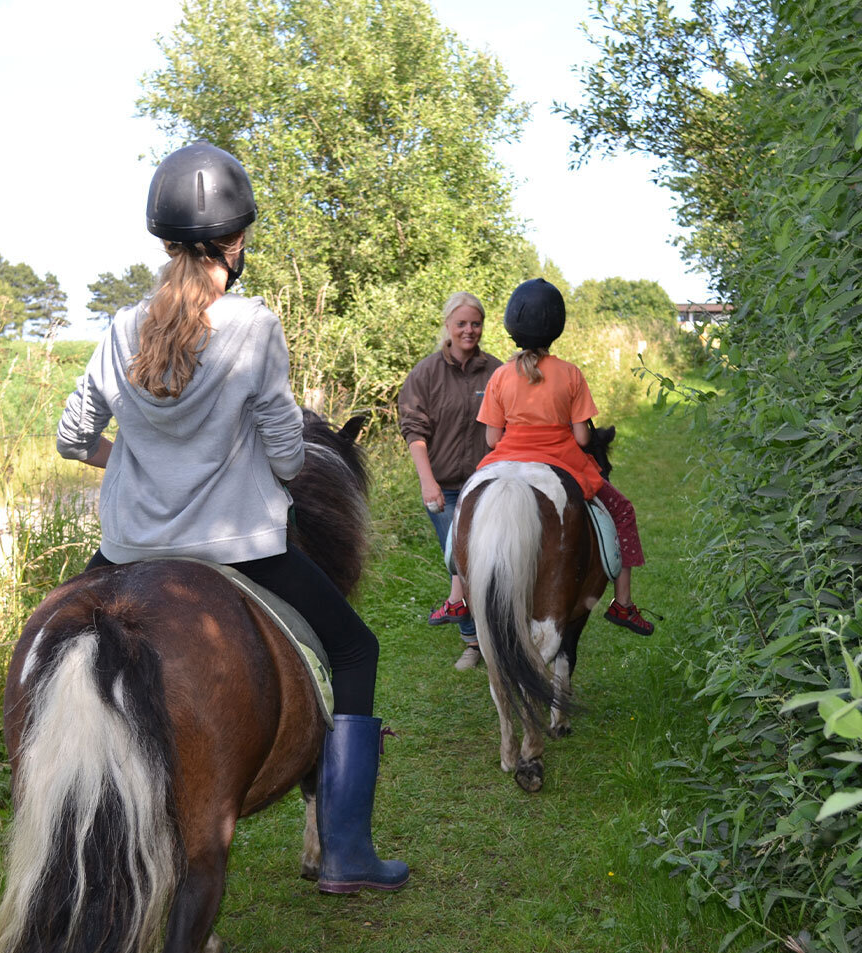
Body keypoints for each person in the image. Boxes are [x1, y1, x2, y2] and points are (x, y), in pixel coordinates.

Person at [55, 142, 408, 894]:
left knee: (55, 647)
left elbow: (72, 438)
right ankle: (345, 851)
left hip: (125, 553)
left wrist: (134, 460)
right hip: (240, 551)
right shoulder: (253, 326)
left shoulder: (120, 330)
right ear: (237, 242)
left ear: (162, 241)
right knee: (354, 650)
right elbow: (286, 454)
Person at [476, 278, 654, 636]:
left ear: (513, 328)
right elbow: (582, 436)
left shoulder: (499, 376)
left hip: (505, 458)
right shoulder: (570, 374)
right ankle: (623, 604)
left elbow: (493, 439)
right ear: (556, 327)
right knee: (622, 511)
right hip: (562, 460)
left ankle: (459, 596)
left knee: (470, 517)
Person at [398, 292, 503, 669]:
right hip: (443, 487)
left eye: (475, 323)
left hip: (487, 486)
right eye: (461, 323)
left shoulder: (496, 372)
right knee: (459, 563)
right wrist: (428, 484)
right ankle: (474, 643)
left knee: (483, 562)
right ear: (447, 325)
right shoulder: (425, 374)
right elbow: (414, 431)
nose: (469, 330)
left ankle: (487, 636)